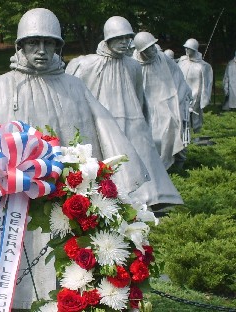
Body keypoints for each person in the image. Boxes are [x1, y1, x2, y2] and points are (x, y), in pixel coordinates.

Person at [0, 8, 151, 309]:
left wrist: (122, 180)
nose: (41, 50)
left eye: (49, 43)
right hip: (10, 204)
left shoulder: (74, 88)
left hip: (63, 200)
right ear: (20, 45)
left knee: (57, 260)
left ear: (58, 47)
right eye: (33, 42)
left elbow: (105, 132)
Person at [66, 16, 183, 208]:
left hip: (133, 120)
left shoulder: (133, 65)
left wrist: (142, 121)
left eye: (127, 38)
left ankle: (150, 197)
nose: (124, 43)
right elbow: (77, 93)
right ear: (108, 39)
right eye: (119, 38)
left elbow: (139, 95)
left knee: (142, 157)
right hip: (104, 120)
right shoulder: (90, 64)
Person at [132, 32, 192, 169]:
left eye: (153, 46)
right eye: (148, 49)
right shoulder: (133, 63)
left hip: (166, 103)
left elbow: (178, 77)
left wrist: (183, 96)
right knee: (151, 136)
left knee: (171, 128)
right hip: (145, 106)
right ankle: (154, 167)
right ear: (141, 51)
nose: (153, 50)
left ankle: (176, 166)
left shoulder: (163, 58)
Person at [177, 38, 213, 133]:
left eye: (188, 48)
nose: (186, 50)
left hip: (196, 94)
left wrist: (204, 98)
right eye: (185, 48)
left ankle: (197, 132)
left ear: (194, 49)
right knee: (183, 114)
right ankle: (185, 133)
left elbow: (207, 83)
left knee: (195, 114)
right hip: (183, 93)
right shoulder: (182, 62)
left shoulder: (202, 66)